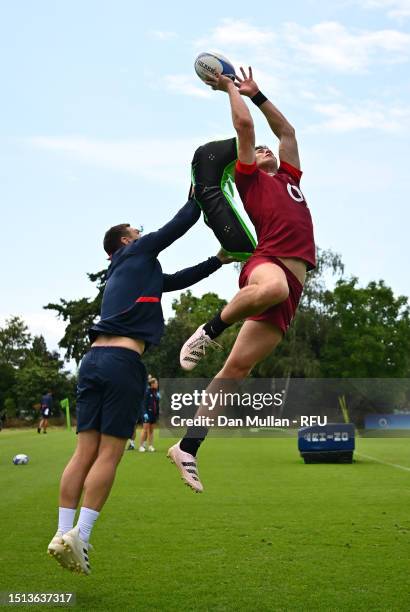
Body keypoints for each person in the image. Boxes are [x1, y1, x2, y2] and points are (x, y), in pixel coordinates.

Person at [47, 198, 237, 574]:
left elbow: (176, 280)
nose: (141, 232)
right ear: (124, 240)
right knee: (108, 456)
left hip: (92, 362)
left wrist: (218, 260)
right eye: (135, 230)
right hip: (122, 363)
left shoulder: (131, 269)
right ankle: (81, 536)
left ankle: (61, 532)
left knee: (83, 452)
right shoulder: (138, 251)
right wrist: (200, 190)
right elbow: (180, 222)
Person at [169, 67, 316, 492]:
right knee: (273, 287)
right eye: (261, 150)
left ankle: (188, 447)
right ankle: (209, 330)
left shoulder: (291, 178)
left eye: (271, 150)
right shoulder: (251, 177)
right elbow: (245, 126)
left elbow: (286, 130)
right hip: (267, 263)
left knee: (237, 369)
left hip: (294, 286)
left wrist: (258, 92)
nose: (268, 149)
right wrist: (231, 88)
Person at [138, 377, 160, 452]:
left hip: (153, 414)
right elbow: (143, 404)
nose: (157, 384)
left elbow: (156, 405)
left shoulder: (156, 392)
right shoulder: (147, 392)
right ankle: (141, 446)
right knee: (145, 430)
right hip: (147, 414)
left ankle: (150, 446)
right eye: (156, 383)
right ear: (152, 384)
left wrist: (157, 413)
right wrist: (144, 413)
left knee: (151, 431)